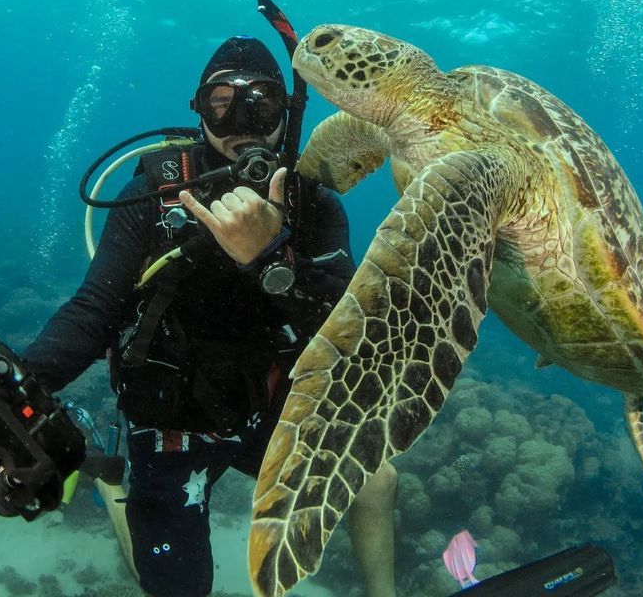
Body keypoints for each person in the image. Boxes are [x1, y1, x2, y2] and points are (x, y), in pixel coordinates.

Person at [24, 34, 398, 597]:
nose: (242, 119)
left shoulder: (312, 204)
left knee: (374, 477)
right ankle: (119, 495)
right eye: (222, 102)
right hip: (172, 412)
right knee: (178, 588)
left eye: (263, 101)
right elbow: (92, 312)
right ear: (198, 110)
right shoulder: (155, 192)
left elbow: (350, 333)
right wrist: (16, 385)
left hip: (264, 399)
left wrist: (268, 256)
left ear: (288, 112)